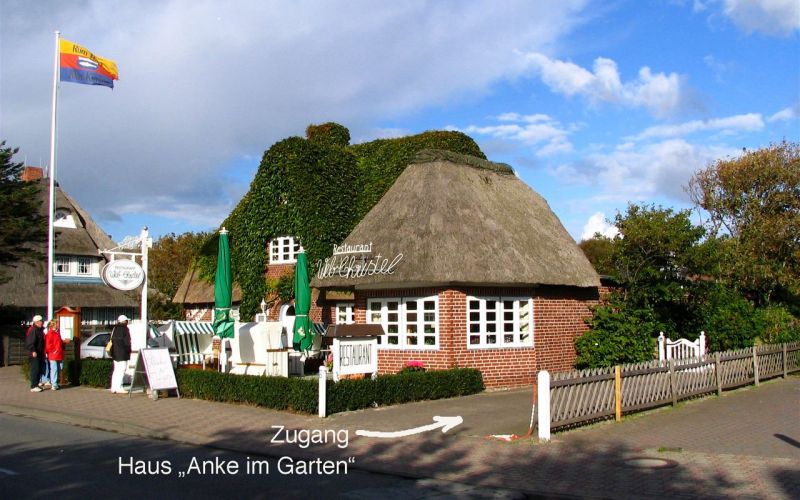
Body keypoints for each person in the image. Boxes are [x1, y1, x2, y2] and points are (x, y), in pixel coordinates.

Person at [44, 320, 69, 390]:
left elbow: (59, 343)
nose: (58, 325)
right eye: (57, 324)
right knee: (54, 369)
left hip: (59, 354)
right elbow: (48, 345)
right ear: (53, 325)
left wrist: (64, 342)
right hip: (53, 354)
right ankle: (54, 384)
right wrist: (54, 351)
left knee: (59, 368)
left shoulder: (57, 333)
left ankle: (55, 383)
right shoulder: (50, 333)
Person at [109, 314, 131, 394]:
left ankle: (113, 387)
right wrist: (129, 351)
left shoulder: (115, 328)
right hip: (122, 353)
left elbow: (111, 340)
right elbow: (127, 343)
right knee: (121, 370)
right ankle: (119, 387)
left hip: (115, 353)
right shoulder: (125, 329)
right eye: (127, 321)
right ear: (124, 321)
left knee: (116, 370)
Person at [25, 315, 45, 392]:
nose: (42, 322)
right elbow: (30, 342)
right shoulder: (33, 330)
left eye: (42, 321)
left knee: (39, 369)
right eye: (40, 321)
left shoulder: (39, 330)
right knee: (35, 369)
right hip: (35, 353)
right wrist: (33, 350)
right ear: (36, 322)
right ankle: (33, 386)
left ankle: (36, 384)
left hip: (39, 352)